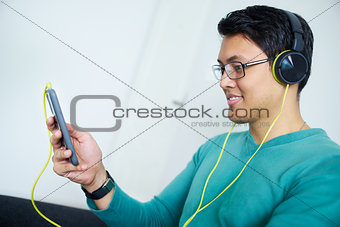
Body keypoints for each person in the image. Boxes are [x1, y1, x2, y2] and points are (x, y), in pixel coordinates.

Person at [47, 5, 340, 226]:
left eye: (237, 67)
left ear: (289, 68)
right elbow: (156, 220)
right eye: (222, 68)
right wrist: (95, 178)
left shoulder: (326, 168)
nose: (224, 81)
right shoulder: (214, 149)